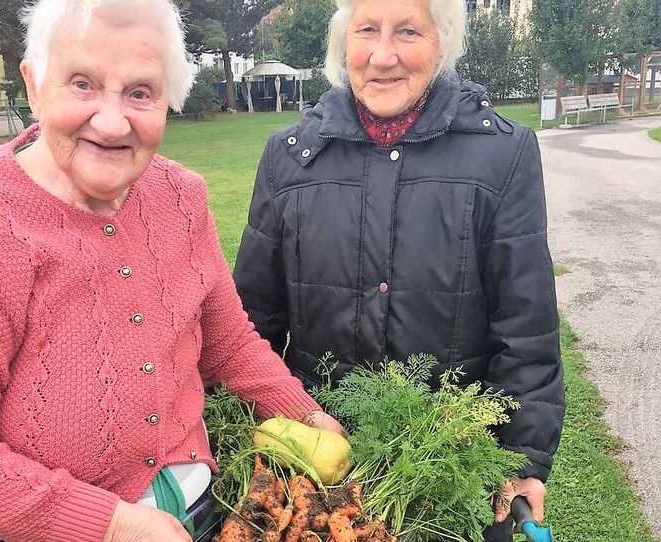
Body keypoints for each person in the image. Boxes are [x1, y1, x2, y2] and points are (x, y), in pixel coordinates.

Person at [0, 1, 344, 541]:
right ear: (34, 85)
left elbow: (228, 341)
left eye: (139, 93)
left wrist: (306, 416)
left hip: (195, 515)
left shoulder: (181, 195)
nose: (111, 122)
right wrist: (109, 526)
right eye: (82, 83)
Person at [233, 0, 565, 540]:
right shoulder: (288, 157)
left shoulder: (503, 154)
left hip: (446, 465)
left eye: (408, 31)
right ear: (345, 42)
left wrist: (523, 457)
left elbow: (525, 326)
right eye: (367, 30)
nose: (382, 55)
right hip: (313, 473)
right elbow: (250, 321)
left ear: (443, 44)